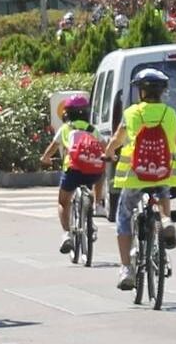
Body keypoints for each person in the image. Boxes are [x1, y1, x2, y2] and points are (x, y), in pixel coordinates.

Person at [106, 68, 176, 291]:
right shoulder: (169, 113)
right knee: (162, 193)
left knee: (124, 216)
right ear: (162, 92)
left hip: (134, 175)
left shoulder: (132, 113)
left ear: (141, 92)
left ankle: (126, 269)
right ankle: (166, 220)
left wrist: (109, 152)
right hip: (162, 170)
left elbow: (117, 139)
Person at [39, 95, 106, 255]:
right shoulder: (92, 129)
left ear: (66, 114)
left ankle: (66, 234)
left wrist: (45, 158)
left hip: (73, 170)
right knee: (101, 172)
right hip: (91, 173)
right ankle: (98, 204)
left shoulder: (66, 129)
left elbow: (53, 148)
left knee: (63, 202)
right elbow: (104, 147)